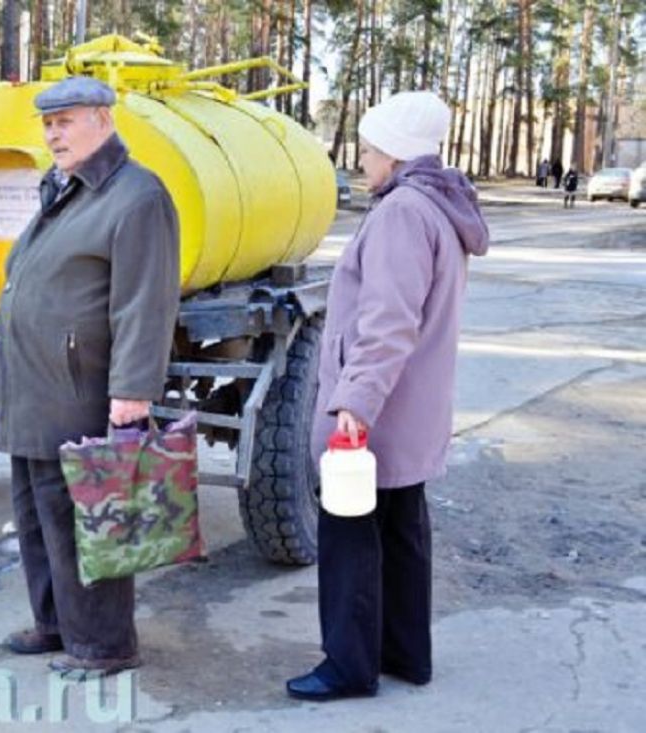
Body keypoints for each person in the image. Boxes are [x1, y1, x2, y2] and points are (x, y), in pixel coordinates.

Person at [286, 91, 490, 701]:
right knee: (402, 531)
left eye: (369, 151)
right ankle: (405, 653)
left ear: (397, 155)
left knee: (351, 539)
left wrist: (354, 403)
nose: (362, 162)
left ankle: (348, 666)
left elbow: (389, 321)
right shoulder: (437, 205)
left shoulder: (402, 212)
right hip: (411, 409)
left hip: (377, 413)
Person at [0, 76, 180, 677]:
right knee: (38, 518)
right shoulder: (66, 187)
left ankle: (104, 644)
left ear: (103, 119)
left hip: (80, 389)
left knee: (83, 526)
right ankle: (55, 624)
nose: (52, 133)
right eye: (47, 123)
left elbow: (145, 302)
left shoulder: (136, 195)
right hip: (32, 387)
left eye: (64, 121)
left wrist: (132, 392)